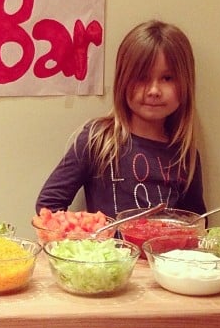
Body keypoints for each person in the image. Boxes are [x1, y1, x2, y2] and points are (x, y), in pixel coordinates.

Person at [35, 20, 206, 219]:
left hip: (164, 251)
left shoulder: (185, 155)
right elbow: (48, 205)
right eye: (142, 78)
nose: (154, 91)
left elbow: (197, 221)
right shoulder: (97, 140)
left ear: (186, 83)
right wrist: (86, 239)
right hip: (106, 249)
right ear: (123, 81)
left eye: (167, 78)